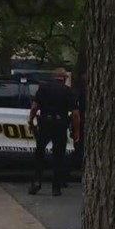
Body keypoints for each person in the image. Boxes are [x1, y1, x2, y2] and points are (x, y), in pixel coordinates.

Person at [27, 67, 80, 196]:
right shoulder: (69, 91)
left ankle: (37, 181)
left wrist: (31, 121)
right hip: (60, 124)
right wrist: (76, 131)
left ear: (53, 77)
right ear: (65, 78)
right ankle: (56, 187)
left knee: (40, 153)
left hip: (45, 123)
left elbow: (34, 107)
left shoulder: (43, 88)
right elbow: (75, 114)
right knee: (59, 155)